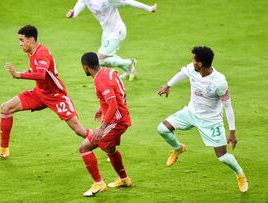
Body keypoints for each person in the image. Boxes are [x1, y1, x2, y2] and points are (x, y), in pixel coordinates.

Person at [0, 25, 91, 158]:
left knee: (79, 130)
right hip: (39, 93)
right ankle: (3, 148)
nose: (20, 44)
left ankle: (106, 143)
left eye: (21, 40)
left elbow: (41, 74)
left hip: (55, 96)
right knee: (5, 107)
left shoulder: (42, 53)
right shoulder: (31, 52)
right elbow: (34, 70)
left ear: (31, 40)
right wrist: (24, 73)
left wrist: (19, 74)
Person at [157, 46, 248, 192]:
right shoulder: (193, 69)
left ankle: (240, 174)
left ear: (199, 63)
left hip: (211, 120)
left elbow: (228, 107)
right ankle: (178, 148)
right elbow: (182, 73)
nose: (191, 61)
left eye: (193, 59)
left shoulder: (219, 82)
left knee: (222, 156)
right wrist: (168, 85)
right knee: (162, 129)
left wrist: (232, 132)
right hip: (191, 113)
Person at [79, 52, 132, 197]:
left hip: (116, 121)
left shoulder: (100, 80)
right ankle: (124, 179)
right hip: (122, 117)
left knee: (84, 148)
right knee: (110, 149)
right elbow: (121, 93)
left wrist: (102, 127)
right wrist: (102, 107)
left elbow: (113, 104)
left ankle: (99, 183)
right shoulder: (110, 72)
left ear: (86, 67)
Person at [66, 0, 157, 81]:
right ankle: (129, 70)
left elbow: (128, 1)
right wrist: (73, 13)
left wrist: (149, 8)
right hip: (106, 32)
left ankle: (129, 62)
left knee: (99, 60)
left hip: (117, 31)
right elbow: (79, 5)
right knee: (108, 56)